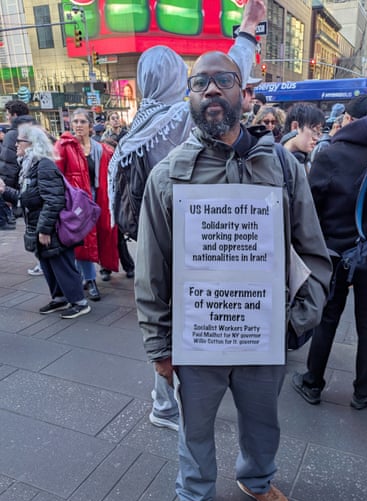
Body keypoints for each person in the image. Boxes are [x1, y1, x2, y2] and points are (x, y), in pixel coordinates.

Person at [135, 49, 331, 501]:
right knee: (194, 427)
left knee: (263, 421)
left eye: (224, 80)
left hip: (263, 338)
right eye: (201, 83)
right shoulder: (168, 176)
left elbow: (313, 251)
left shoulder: (282, 167)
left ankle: (257, 480)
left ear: (244, 93)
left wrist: (294, 325)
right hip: (197, 341)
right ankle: (195, 497)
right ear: (190, 97)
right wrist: (159, 345)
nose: (212, 90)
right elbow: (151, 270)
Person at [108, 0, 267, 433]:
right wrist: (249, 28)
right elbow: (228, 73)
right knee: (183, 319)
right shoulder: (177, 118)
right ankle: (171, 402)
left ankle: (164, 400)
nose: (203, 88)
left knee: (159, 317)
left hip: (143, 237)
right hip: (183, 237)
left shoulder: (134, 129)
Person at [292, 94, 367, 410]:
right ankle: (364, 390)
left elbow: (309, 208)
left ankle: (312, 383)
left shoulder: (331, 155)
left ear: (348, 119)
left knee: (327, 317)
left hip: (335, 255)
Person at [0, 125, 90, 318]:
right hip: (39, 225)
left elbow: (54, 200)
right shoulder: (30, 166)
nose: (15, 145)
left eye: (20, 141)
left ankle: (79, 302)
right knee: (49, 265)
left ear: (32, 144)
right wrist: (5, 190)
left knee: (62, 265)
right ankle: (59, 299)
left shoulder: (44, 165)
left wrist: (44, 230)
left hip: (52, 227)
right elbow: (26, 197)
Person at [55, 108, 119, 302]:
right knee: (81, 240)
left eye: (83, 122)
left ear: (90, 125)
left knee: (101, 236)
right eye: (75, 122)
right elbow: (57, 176)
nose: (78, 125)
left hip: (97, 200)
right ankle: (89, 280)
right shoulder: (64, 146)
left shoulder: (101, 149)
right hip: (75, 203)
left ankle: (92, 275)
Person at [0, 100, 36, 230]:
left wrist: (6, 192)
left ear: (14, 115)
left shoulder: (12, 134)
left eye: (8, 114)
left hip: (20, 189)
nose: (7, 117)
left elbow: (8, 166)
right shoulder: (35, 129)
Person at [280, 103, 325, 172]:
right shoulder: (274, 163)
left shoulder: (305, 162)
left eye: (318, 133)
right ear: (295, 127)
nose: (317, 138)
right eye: (314, 130)